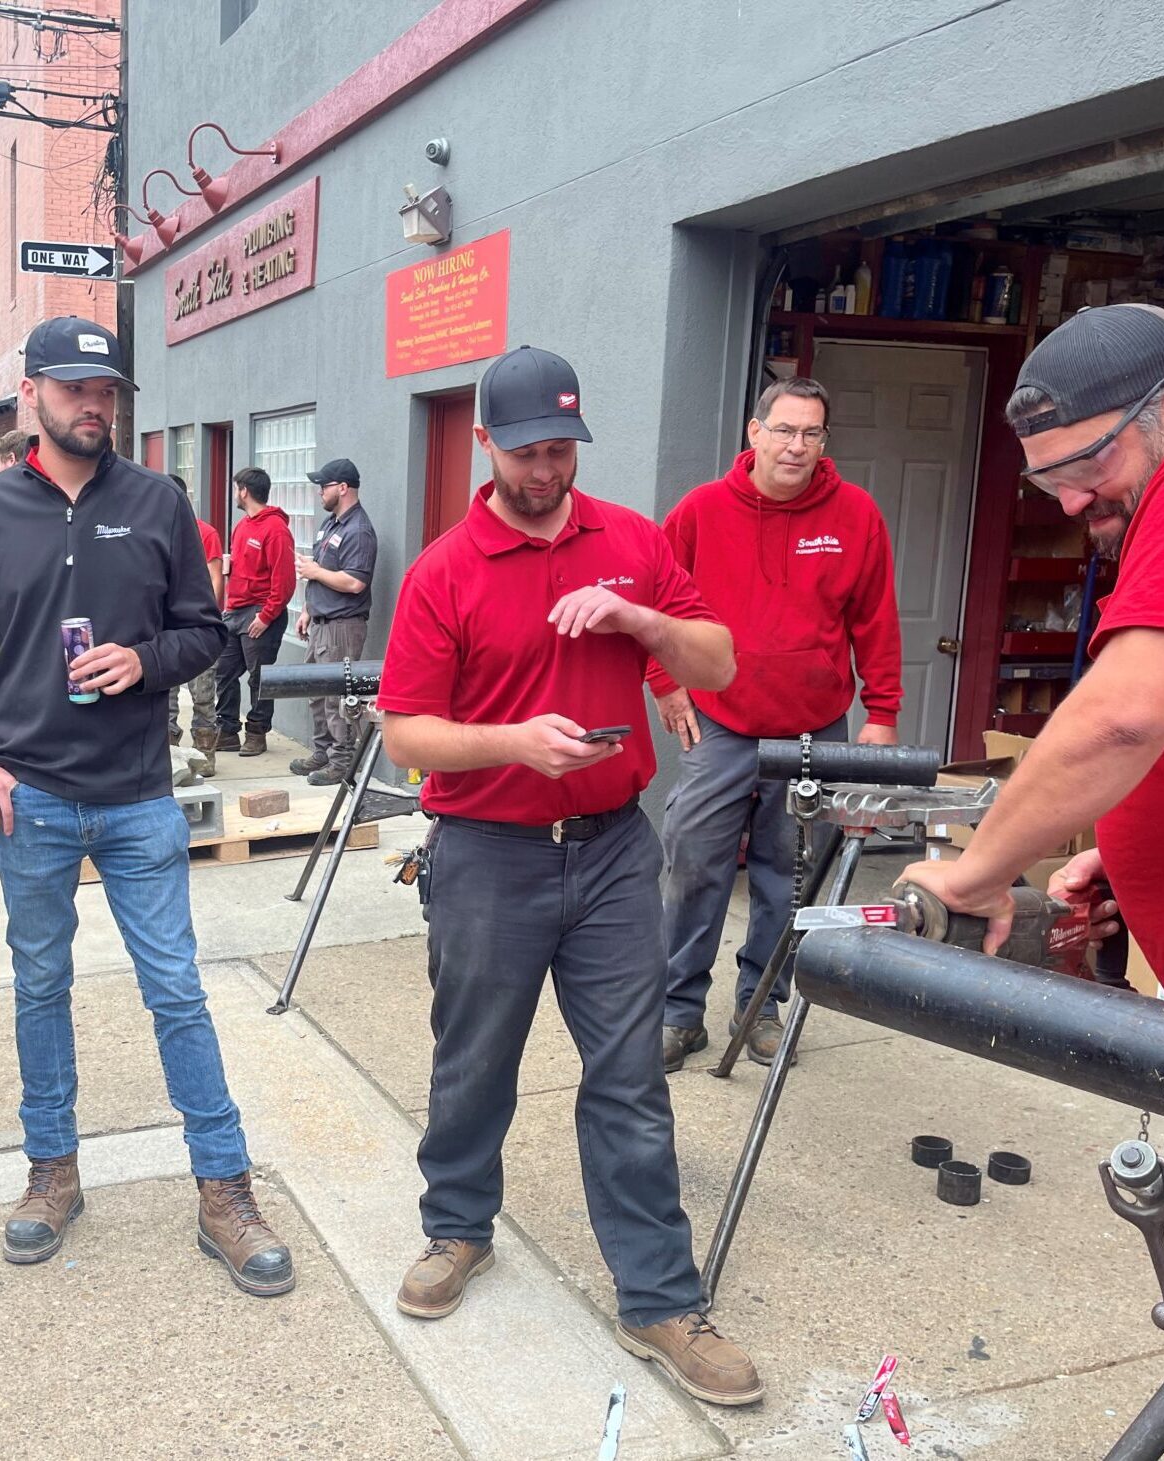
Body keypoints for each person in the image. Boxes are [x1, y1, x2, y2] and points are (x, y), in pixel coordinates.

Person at [898, 302, 1164, 1460]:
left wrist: (979, 871)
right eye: (1049, 487)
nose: (1076, 503)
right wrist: (1137, 851)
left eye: (1089, 467)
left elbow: (1126, 712)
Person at [378, 345, 763, 1406]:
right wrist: (512, 745)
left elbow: (719, 663)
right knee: (474, 1061)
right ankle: (457, 1231)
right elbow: (406, 734)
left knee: (630, 1075)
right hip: (486, 858)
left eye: (564, 450)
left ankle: (657, 1297)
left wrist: (641, 623)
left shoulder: (632, 544)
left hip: (611, 850)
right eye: (531, 451)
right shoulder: (443, 570)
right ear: (487, 445)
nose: (550, 471)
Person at [0, 315, 293, 1296]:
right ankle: (53, 1171)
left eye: (108, 390)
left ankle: (224, 1188)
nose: (96, 404)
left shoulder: (159, 505)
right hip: (28, 799)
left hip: (136, 801)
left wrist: (144, 660)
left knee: (175, 987)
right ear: (32, 396)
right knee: (41, 985)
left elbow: (205, 632)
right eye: (77, 388)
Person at [650, 377, 902, 1071]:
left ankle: (761, 1004)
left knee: (786, 876)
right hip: (720, 722)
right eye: (784, 429)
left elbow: (874, 618)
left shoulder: (855, 515)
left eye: (811, 433)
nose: (797, 445)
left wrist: (880, 714)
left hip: (814, 730)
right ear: (754, 433)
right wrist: (665, 683)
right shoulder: (700, 511)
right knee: (695, 861)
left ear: (824, 441)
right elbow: (656, 602)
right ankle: (677, 1012)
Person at [288, 456, 378, 786]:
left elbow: (355, 583)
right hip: (321, 623)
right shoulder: (331, 524)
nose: (318, 493)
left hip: (342, 627)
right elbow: (326, 572)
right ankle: (323, 752)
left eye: (322, 487)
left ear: (342, 488)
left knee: (337, 697)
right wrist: (308, 610)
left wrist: (315, 571)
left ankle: (342, 762)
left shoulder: (359, 530)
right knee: (316, 692)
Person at [214, 466, 295, 757]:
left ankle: (257, 733)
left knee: (259, 678)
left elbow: (284, 582)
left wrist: (266, 616)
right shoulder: (243, 526)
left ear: (244, 490)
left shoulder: (276, 529)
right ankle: (226, 731)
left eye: (237, 488)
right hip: (234, 611)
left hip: (260, 613)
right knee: (223, 672)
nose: (236, 493)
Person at [166, 473, 225, 774]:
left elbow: (216, 579)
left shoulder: (205, 533)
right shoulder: (156, 529)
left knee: (203, 697)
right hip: (165, 632)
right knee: (167, 699)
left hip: (196, 629)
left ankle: (205, 757)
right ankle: (169, 757)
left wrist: (203, 619)